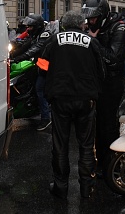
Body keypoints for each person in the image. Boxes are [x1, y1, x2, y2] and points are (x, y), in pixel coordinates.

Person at [38, 10, 105, 199]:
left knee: (61, 144)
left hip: (60, 98)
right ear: (81, 24)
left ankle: (60, 187)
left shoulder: (54, 40)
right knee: (86, 144)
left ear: (64, 25)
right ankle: (86, 188)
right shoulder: (91, 42)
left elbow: (42, 66)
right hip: (85, 99)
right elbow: (102, 70)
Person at [81, 0, 125, 175]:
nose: (90, 21)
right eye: (89, 17)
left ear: (102, 15)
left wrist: (92, 40)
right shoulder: (97, 27)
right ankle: (101, 161)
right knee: (97, 126)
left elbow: (113, 58)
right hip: (97, 82)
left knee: (108, 126)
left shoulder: (120, 29)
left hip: (112, 83)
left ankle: (109, 165)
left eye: (93, 17)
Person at [10, 14, 53, 130]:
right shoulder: (33, 35)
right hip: (39, 65)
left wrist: (17, 59)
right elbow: (24, 46)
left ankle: (45, 118)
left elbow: (33, 50)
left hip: (49, 67)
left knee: (39, 89)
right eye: (27, 26)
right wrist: (10, 54)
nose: (28, 29)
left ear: (37, 26)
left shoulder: (45, 35)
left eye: (30, 27)